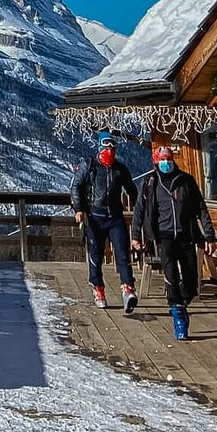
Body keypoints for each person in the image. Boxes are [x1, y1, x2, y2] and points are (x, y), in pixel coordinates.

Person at [133, 141, 216, 340]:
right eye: (162, 159)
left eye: (168, 159)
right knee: (170, 274)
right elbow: (139, 210)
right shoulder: (150, 183)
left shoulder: (186, 180)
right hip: (164, 236)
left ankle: (182, 304)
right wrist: (136, 236)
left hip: (186, 234)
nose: (166, 162)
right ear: (156, 162)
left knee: (191, 280)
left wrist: (209, 235)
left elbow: (201, 208)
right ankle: (177, 313)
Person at [70, 130, 138, 312]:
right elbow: (76, 187)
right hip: (95, 216)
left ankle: (128, 288)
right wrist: (79, 209)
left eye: (113, 149)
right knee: (96, 254)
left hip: (115, 216)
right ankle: (98, 288)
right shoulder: (89, 165)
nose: (110, 151)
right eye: (106, 147)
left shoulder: (120, 169)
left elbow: (132, 190)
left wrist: (141, 209)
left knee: (122, 253)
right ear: (99, 148)